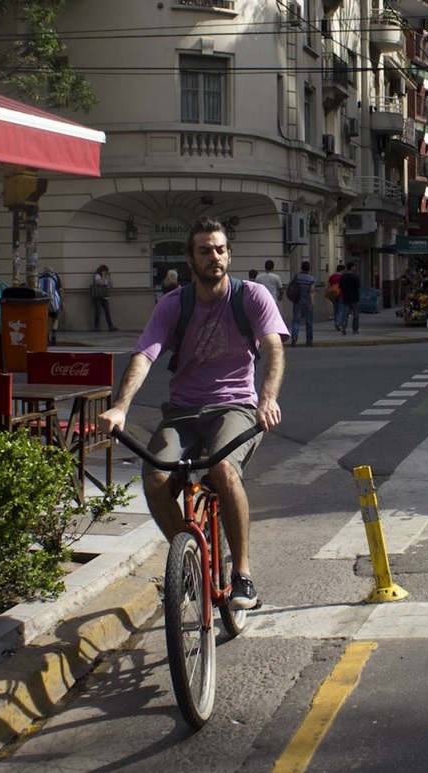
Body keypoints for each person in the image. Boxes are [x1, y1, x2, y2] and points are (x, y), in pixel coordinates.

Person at [99, 217, 288, 610]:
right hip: (183, 411)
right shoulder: (173, 305)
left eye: (220, 249)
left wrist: (267, 399)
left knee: (222, 470)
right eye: (204, 250)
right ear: (190, 259)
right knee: (154, 479)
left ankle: (243, 576)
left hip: (235, 407)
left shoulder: (250, 296)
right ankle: (190, 562)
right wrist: (120, 407)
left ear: (229, 255)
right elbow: (144, 357)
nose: (213, 256)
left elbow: (273, 349)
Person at [289, 260, 317, 347]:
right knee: (309, 322)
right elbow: (311, 291)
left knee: (296, 321)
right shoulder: (311, 279)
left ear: (301, 267)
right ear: (309, 268)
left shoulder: (297, 277)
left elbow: (292, 287)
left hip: (297, 302)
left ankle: (294, 336)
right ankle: (309, 341)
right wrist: (312, 301)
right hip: (307, 303)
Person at [38, 266, 63, 346]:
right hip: (53, 302)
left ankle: (46, 337)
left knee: (46, 320)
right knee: (55, 318)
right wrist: (62, 302)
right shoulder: (55, 277)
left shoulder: (40, 277)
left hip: (43, 302)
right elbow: (60, 290)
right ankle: (54, 334)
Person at [91, 264, 118, 331]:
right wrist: (103, 276)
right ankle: (96, 326)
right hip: (98, 296)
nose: (106, 272)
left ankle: (110, 325)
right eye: (105, 271)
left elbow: (111, 285)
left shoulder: (106, 277)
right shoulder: (97, 276)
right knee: (98, 311)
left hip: (104, 296)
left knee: (107, 311)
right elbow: (102, 283)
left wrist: (109, 276)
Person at [338, 262, 361, 334]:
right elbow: (358, 287)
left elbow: (340, 287)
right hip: (354, 298)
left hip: (345, 297)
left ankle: (344, 326)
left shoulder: (343, 276)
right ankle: (355, 329)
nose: (355, 268)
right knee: (356, 314)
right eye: (354, 266)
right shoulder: (356, 276)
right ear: (352, 267)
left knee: (345, 313)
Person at [326, 263, 344, 330]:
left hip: (333, 294)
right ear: (342, 270)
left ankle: (336, 322)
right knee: (341, 310)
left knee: (335, 310)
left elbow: (329, 285)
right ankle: (338, 322)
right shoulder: (342, 277)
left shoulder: (332, 276)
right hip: (341, 294)